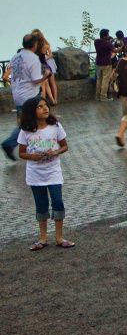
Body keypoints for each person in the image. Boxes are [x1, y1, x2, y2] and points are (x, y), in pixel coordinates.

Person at [18, 96, 73, 250]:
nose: (45, 109)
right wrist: (32, 156)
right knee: (41, 204)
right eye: (40, 107)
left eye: (46, 106)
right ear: (32, 111)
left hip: (53, 171)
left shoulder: (55, 126)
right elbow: (21, 153)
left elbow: (64, 146)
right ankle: (43, 238)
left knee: (57, 202)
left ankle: (59, 237)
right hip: (35, 173)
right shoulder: (26, 130)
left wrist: (55, 152)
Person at [2, 34, 51, 161]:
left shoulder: (15, 57)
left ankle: (28, 145)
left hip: (17, 94)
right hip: (29, 94)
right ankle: (10, 143)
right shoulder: (33, 59)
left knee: (25, 122)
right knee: (29, 122)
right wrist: (46, 75)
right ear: (34, 45)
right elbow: (36, 80)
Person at [32, 30, 57, 106]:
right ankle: (49, 101)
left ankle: (42, 102)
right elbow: (48, 45)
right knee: (45, 84)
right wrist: (42, 36)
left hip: (37, 66)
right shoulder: (45, 47)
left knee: (42, 86)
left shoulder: (34, 48)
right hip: (44, 66)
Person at [94, 29, 115, 102]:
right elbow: (115, 50)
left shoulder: (96, 41)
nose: (108, 36)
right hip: (106, 63)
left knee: (99, 79)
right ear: (105, 36)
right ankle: (103, 96)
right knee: (105, 80)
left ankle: (97, 95)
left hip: (99, 62)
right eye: (107, 34)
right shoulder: (107, 44)